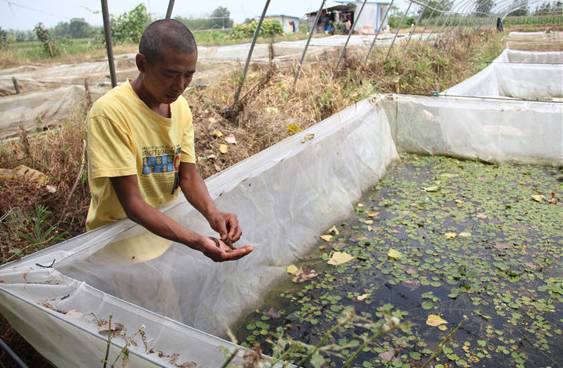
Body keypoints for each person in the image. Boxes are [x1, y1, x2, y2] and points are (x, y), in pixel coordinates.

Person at [85, 19, 253, 263]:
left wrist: (213, 213)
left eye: (189, 75)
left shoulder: (180, 107)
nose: (180, 86)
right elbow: (132, 203)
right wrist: (197, 241)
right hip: (122, 247)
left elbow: (187, 175)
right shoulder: (110, 112)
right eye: (170, 74)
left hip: (165, 233)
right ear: (142, 63)